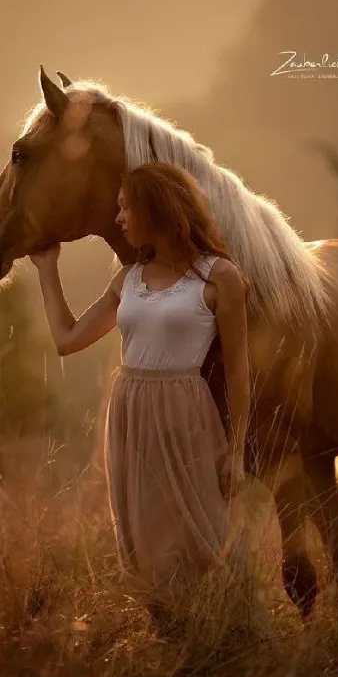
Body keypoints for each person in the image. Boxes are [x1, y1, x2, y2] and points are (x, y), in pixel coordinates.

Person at [29, 161, 258, 636]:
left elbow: (238, 369)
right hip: (130, 410)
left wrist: (236, 449)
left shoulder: (220, 277)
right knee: (142, 533)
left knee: (203, 529)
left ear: (155, 208)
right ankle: (171, 635)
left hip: (186, 410)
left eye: (125, 208)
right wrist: (47, 270)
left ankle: (228, 632)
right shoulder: (128, 278)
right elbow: (68, 339)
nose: (118, 220)